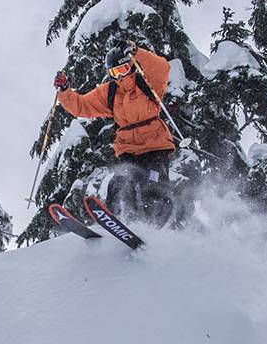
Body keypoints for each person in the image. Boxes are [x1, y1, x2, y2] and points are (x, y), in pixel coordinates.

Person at [53, 39, 177, 223]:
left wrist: (136, 51)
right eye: (115, 73)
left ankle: (155, 223)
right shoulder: (110, 92)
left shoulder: (146, 81)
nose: (120, 76)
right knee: (119, 182)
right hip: (129, 150)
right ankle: (119, 220)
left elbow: (162, 68)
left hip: (155, 147)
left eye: (123, 70)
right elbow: (82, 106)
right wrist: (64, 91)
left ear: (130, 66)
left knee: (153, 182)